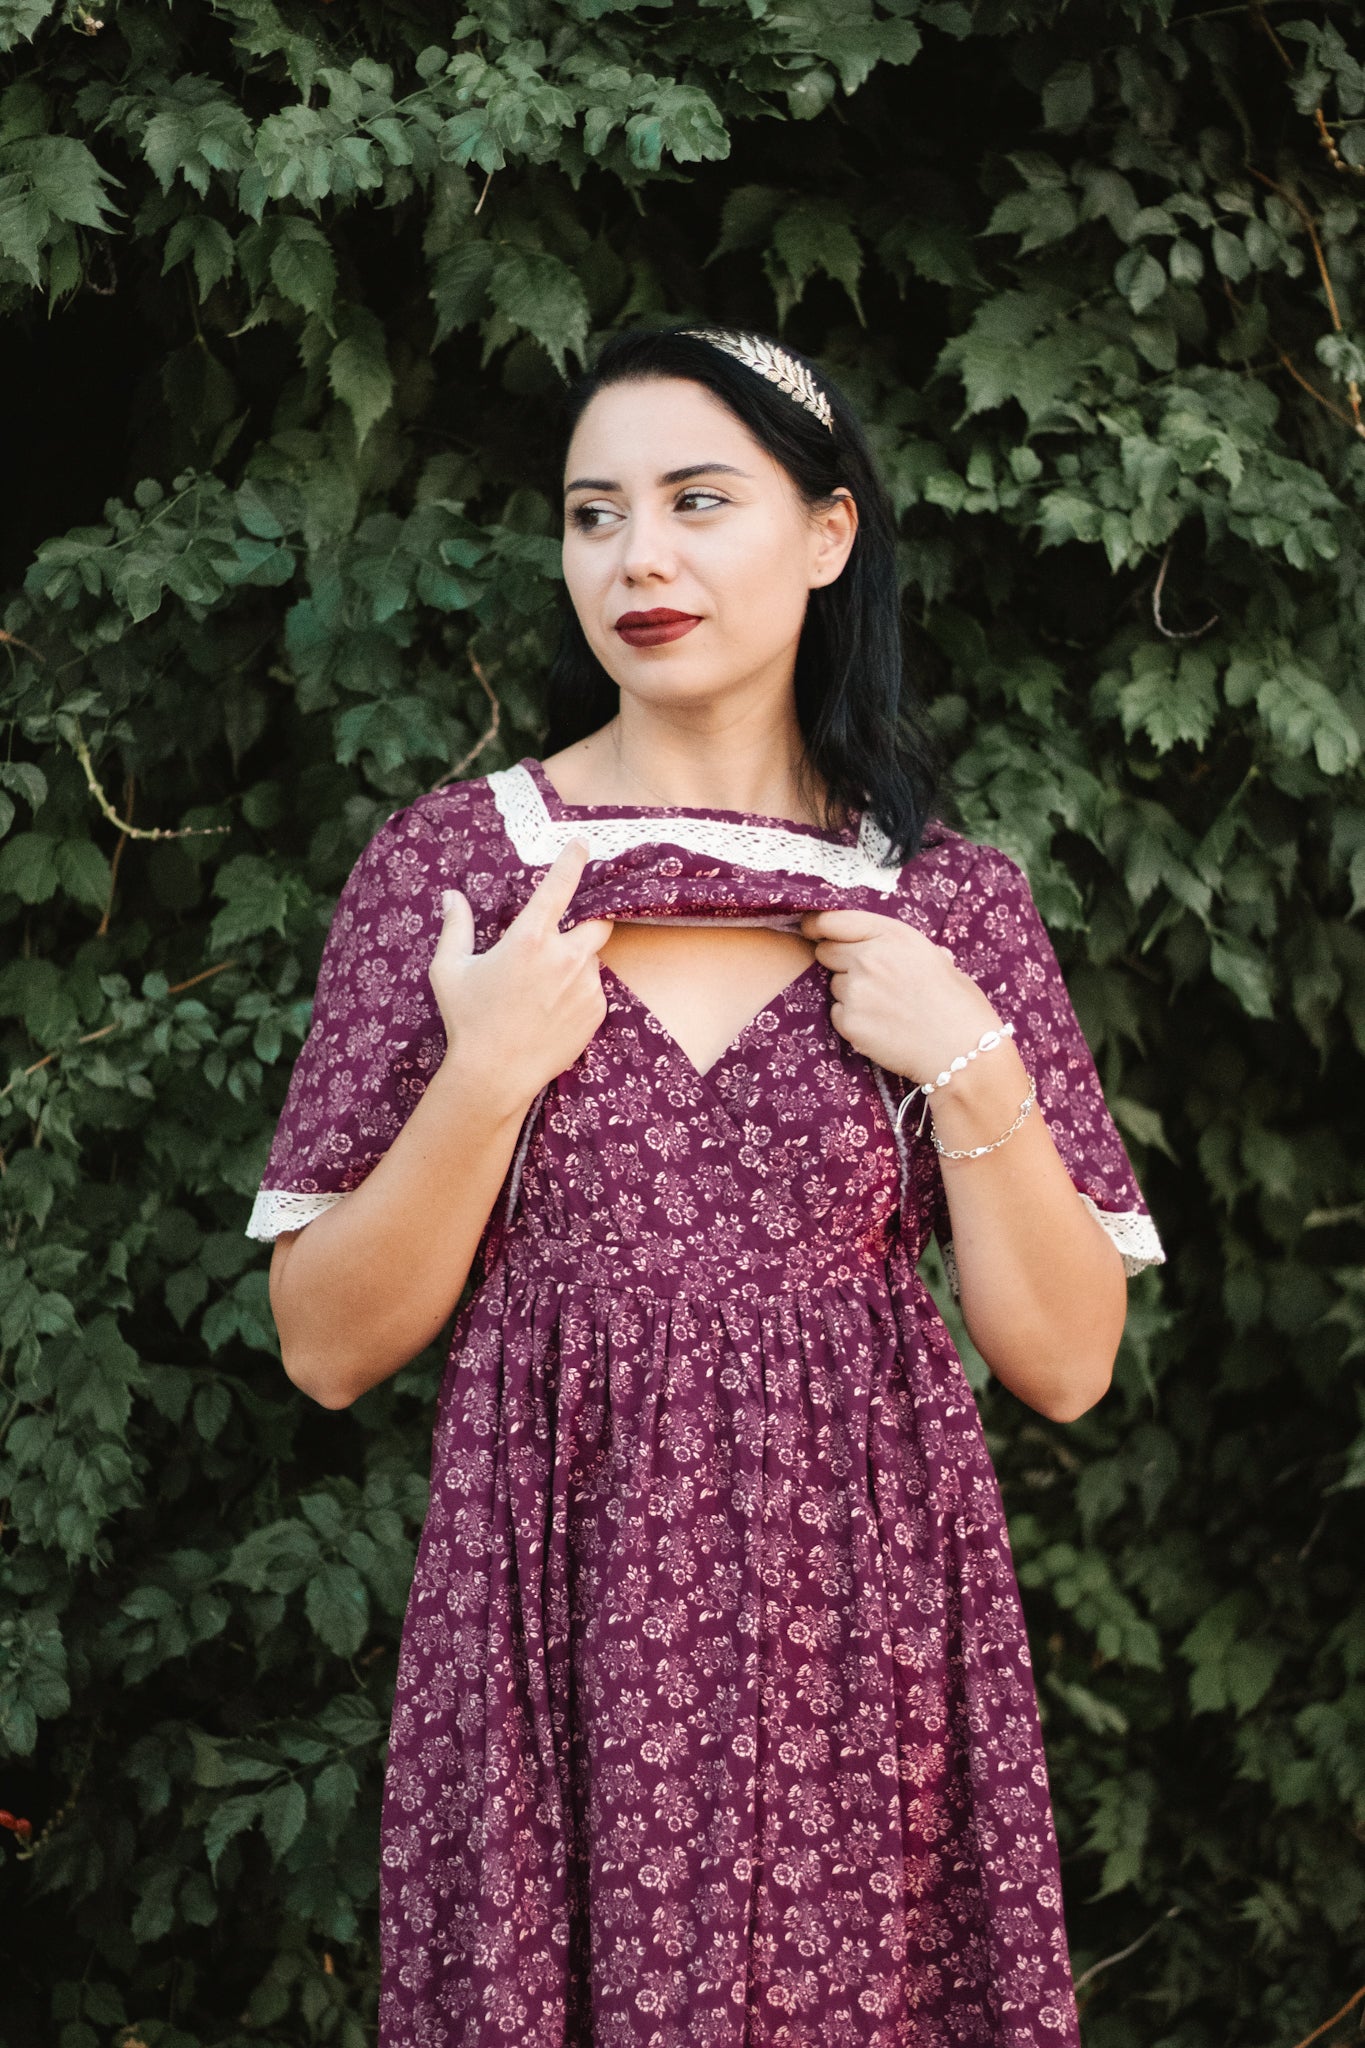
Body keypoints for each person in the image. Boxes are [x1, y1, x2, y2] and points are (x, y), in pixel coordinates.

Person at [246, 324, 1165, 2047]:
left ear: (827, 535)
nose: (637, 558)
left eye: (694, 501)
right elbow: (323, 1343)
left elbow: (1063, 1361)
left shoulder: (946, 906)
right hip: (550, 1627)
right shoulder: (457, 875)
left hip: (856, 1631)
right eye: (594, 515)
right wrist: (486, 1073)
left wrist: (965, 1059)